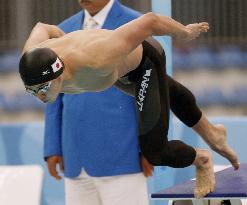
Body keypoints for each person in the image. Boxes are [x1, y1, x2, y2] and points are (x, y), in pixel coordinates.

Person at [19, 10, 239, 199]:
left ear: (58, 74)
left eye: (44, 89)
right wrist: (62, 37)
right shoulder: (31, 56)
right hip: (115, 74)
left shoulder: (96, 57)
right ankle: (213, 133)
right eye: (32, 91)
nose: (40, 97)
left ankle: (201, 158)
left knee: (156, 152)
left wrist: (185, 32)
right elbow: (42, 27)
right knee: (168, 93)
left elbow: (150, 21)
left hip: (143, 64)